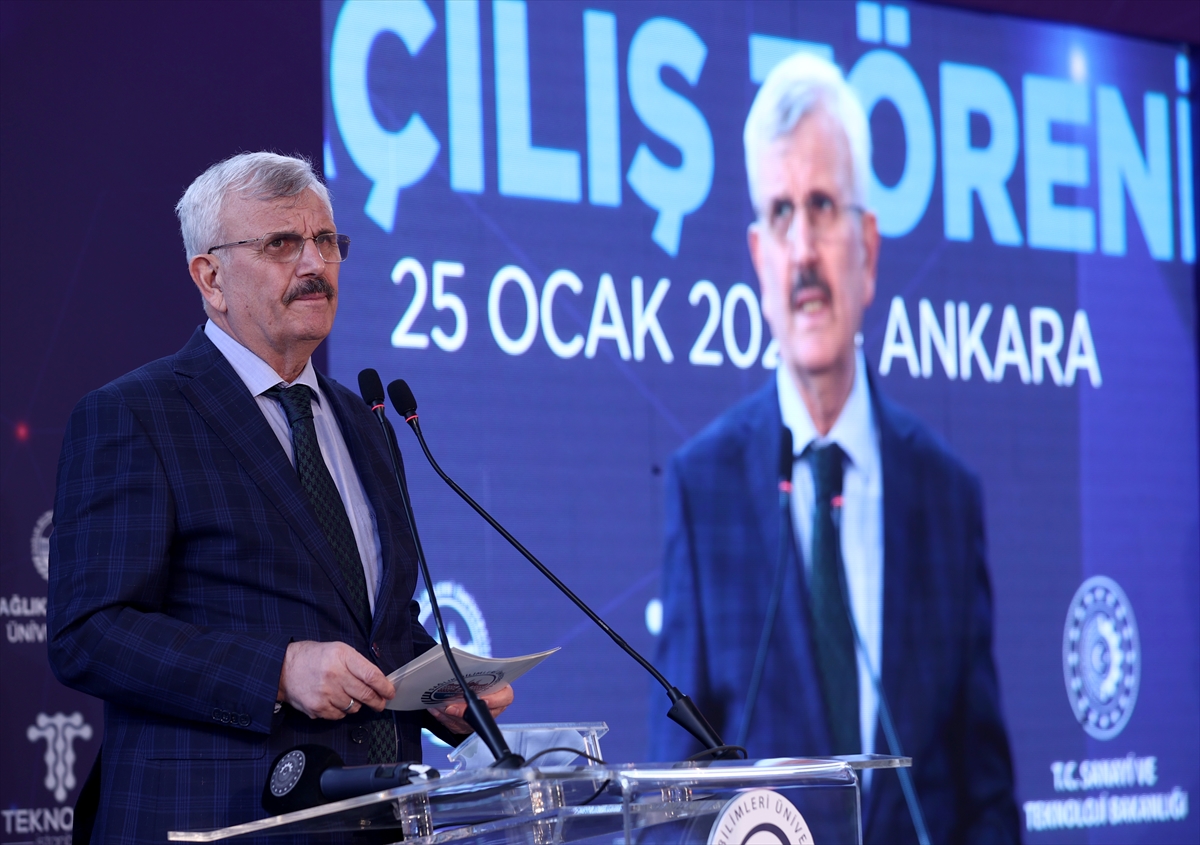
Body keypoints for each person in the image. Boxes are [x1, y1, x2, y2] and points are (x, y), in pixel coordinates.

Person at [47, 152, 512, 843]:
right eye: (281, 244)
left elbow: (371, 626)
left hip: (373, 820)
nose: (314, 264)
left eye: (326, 241)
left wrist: (439, 691)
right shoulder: (137, 414)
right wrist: (279, 671)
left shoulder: (365, 422)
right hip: (217, 817)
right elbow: (89, 633)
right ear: (210, 277)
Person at [648, 54, 1020, 843]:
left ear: (868, 249)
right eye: (781, 213)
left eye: (822, 206)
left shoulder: (947, 494)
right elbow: (667, 802)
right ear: (758, 257)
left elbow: (986, 794)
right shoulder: (703, 487)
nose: (804, 250)